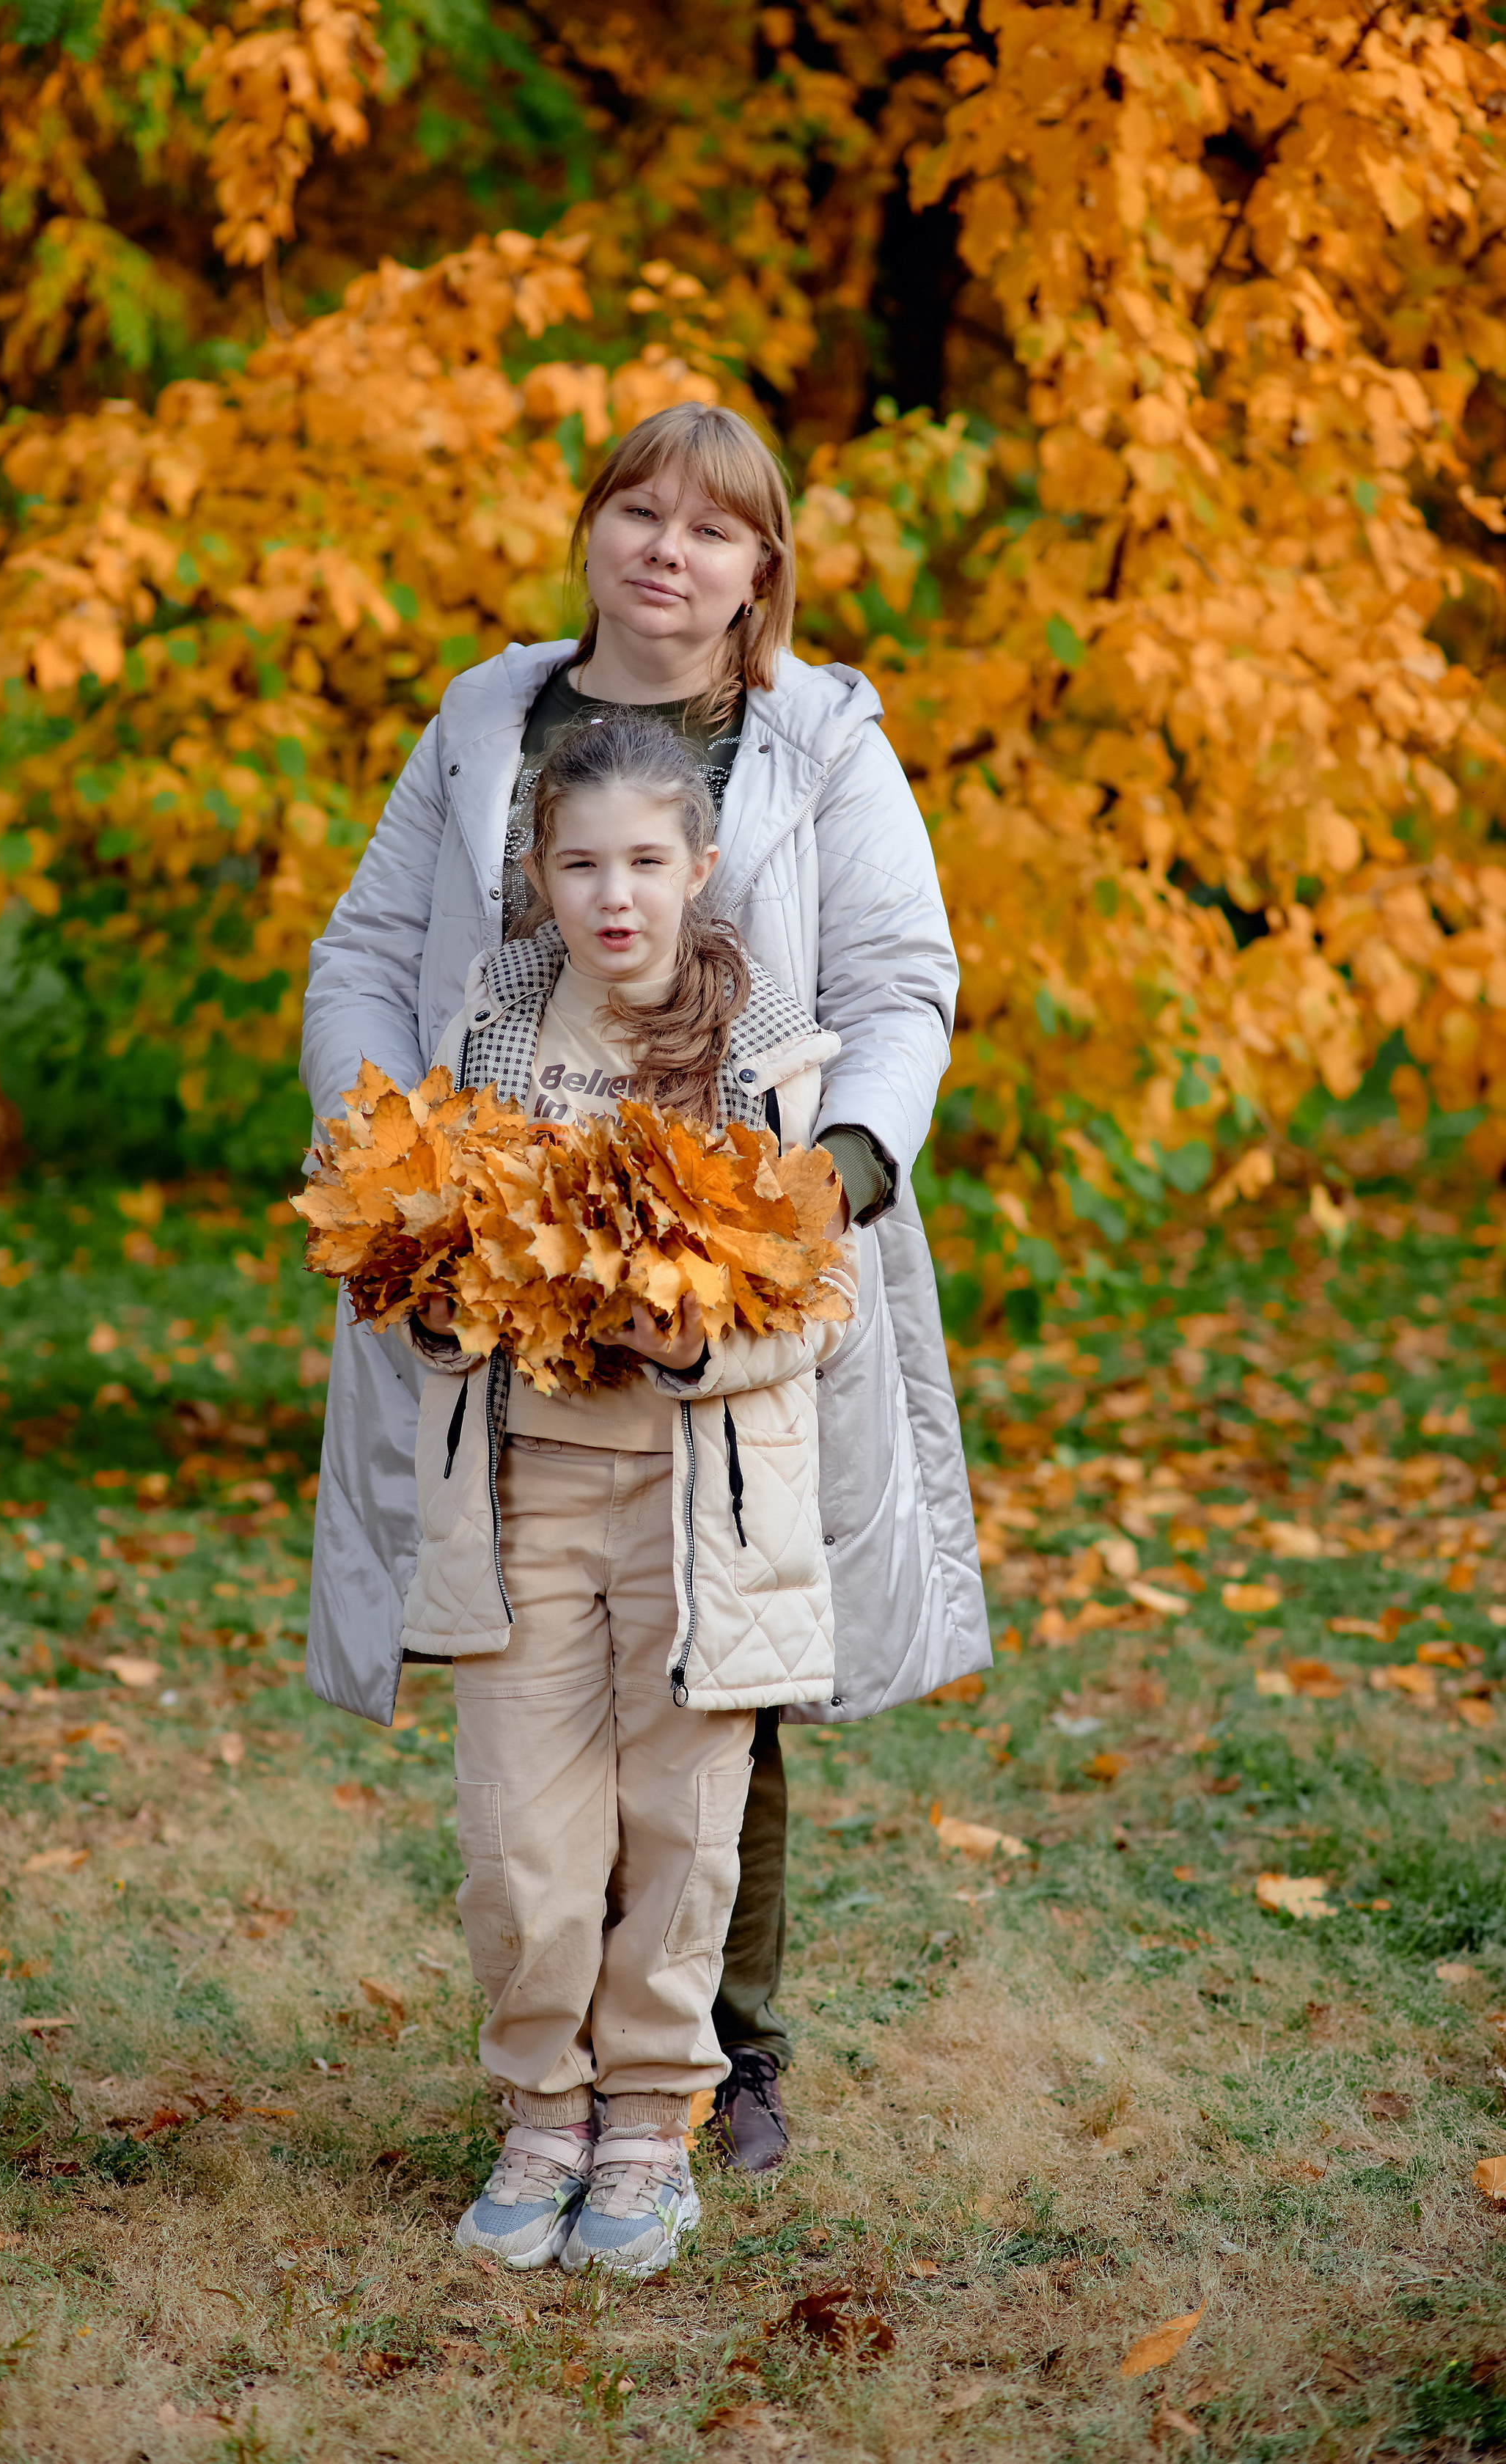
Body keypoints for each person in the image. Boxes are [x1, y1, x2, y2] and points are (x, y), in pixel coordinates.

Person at [301, 400, 989, 2175]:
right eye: (638, 512)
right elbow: (371, 951)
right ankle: (553, 2086)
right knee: (532, 1654)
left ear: (761, 568)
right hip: (501, 1268)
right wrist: (392, 1157)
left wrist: (825, 1178)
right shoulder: (484, 720)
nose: (667, 549)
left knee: (719, 1654)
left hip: (725, 1268)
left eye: (712, 526)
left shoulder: (818, 738)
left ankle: (716, 2059)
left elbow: (905, 979)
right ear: (593, 531)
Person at [396, 712, 856, 2276]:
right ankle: (541, 2111)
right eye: (581, 863)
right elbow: (416, 1262)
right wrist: (438, 1302)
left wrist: (693, 1347)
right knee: (523, 1835)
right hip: (522, 1492)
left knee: (680, 1827)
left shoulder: (770, 1057)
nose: (615, 895)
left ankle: (651, 2124)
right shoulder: (494, 1033)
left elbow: (814, 1306)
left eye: (647, 862)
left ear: (700, 870)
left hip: (696, 1511)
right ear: (537, 874)